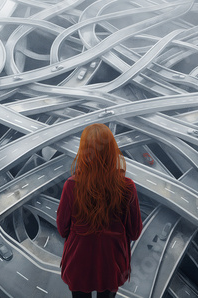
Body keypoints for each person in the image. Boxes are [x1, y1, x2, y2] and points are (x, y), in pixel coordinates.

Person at [57, 123, 143, 298]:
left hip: (78, 261)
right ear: (112, 150)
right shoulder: (127, 187)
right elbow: (134, 232)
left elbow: (62, 228)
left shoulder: (72, 185)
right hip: (112, 263)